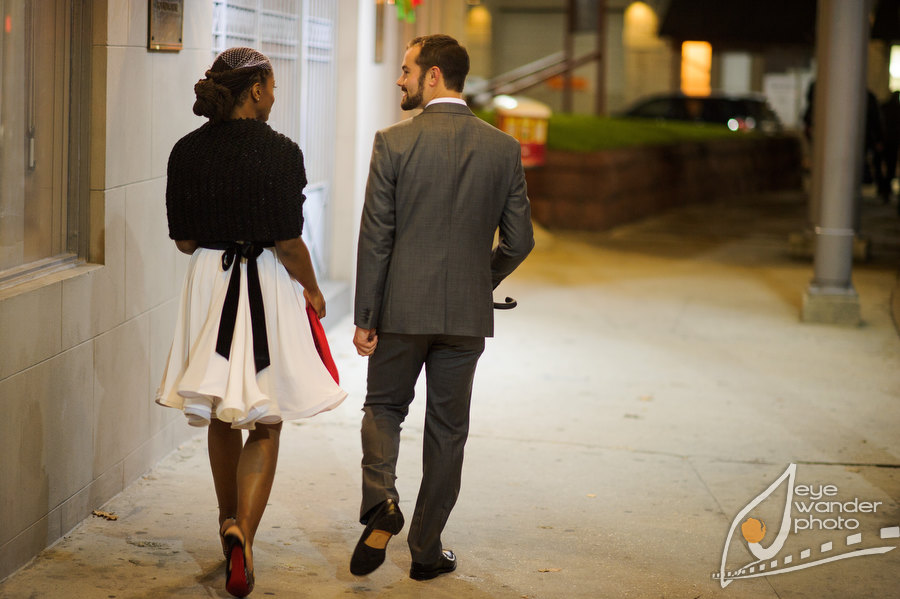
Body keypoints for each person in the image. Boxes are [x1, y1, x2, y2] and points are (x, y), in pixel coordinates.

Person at [156, 47, 346, 598]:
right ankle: (246, 530)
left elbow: (185, 240)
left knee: (220, 408)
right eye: (274, 87)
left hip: (209, 282)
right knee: (265, 418)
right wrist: (312, 289)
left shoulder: (184, 152)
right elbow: (288, 242)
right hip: (262, 283)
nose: (275, 96)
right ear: (257, 89)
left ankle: (225, 524)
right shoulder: (282, 152)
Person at [350, 34, 534, 581]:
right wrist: (481, 280)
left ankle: (382, 500)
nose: (399, 79)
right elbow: (520, 241)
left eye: (406, 70)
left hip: (401, 310)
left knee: (384, 407)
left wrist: (366, 316)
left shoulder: (393, 143)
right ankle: (426, 551)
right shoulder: (503, 149)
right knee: (448, 430)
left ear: (434, 76)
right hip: (465, 319)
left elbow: (376, 238)